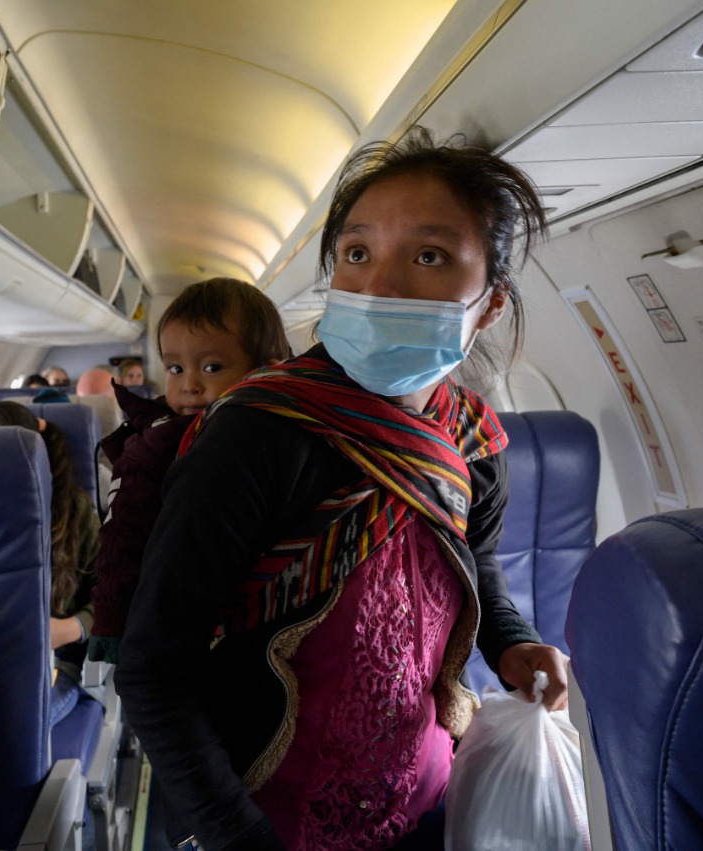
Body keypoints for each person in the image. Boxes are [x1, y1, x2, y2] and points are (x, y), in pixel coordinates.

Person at [113, 128, 568, 850]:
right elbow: (153, 667)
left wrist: (513, 641)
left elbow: (475, 567)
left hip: (424, 798)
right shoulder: (259, 433)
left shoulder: (473, 443)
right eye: (357, 253)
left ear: (489, 304)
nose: (379, 284)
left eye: (429, 255)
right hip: (265, 813)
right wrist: (237, 836)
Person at [87, 278, 291, 664]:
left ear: (269, 372)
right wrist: (112, 618)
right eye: (175, 368)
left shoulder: (284, 436)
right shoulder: (158, 446)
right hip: (164, 617)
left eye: (212, 367)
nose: (189, 386)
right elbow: (122, 535)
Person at [0, 400, 100, 725]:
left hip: (52, 661)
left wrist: (69, 628)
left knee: (6, 725)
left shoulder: (72, 511)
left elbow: (116, 599)